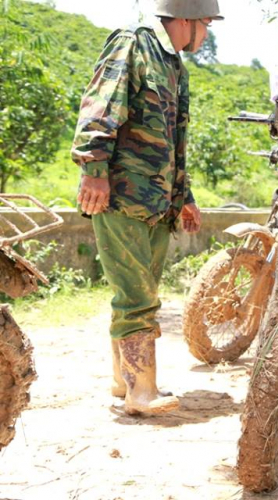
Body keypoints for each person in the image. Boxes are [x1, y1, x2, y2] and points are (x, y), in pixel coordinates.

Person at [71, 0, 223, 416]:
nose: (208, 34)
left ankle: (124, 380)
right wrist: (94, 169)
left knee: (140, 290)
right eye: (207, 25)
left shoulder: (174, 67)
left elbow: (174, 141)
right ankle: (142, 393)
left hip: (156, 202)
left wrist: (183, 196)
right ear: (187, 19)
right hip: (119, 194)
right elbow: (100, 107)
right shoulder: (132, 44)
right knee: (136, 295)